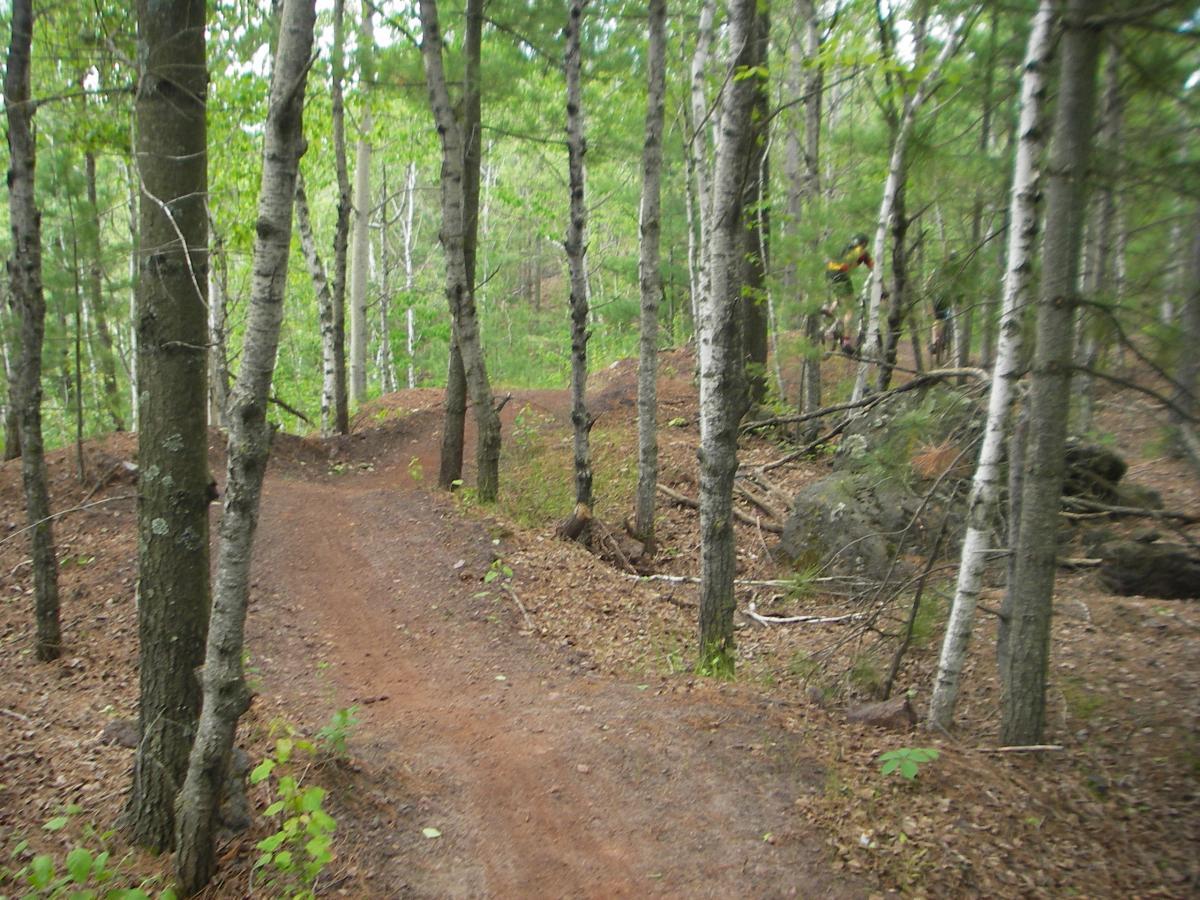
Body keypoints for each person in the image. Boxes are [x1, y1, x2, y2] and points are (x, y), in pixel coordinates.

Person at [823, 233, 873, 355]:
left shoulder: (846, 247)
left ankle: (830, 310)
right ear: (864, 244)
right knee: (850, 310)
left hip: (830, 273)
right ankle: (846, 343)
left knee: (842, 296)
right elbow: (875, 269)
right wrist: (884, 290)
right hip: (841, 275)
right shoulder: (862, 252)